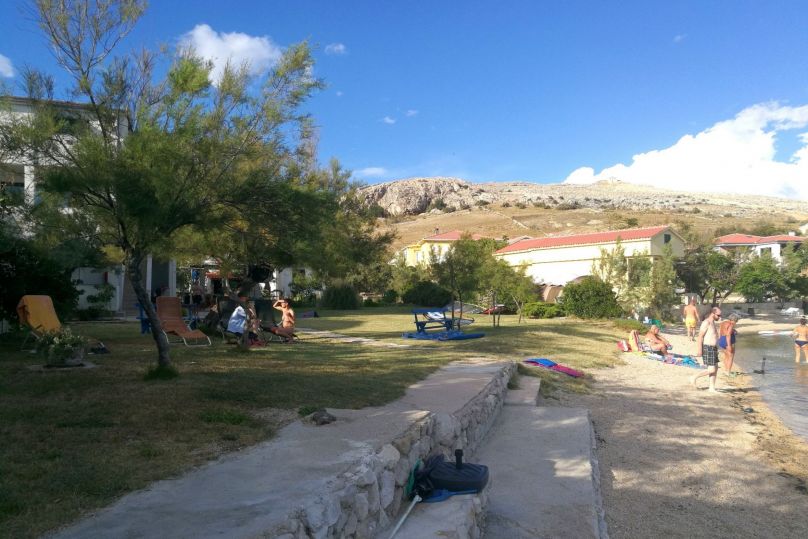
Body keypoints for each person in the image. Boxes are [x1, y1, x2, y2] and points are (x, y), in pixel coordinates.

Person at [691, 307, 722, 392]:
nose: (720, 317)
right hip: (708, 348)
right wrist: (699, 350)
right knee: (711, 369)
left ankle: (711, 388)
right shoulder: (706, 322)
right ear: (713, 313)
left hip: (714, 348)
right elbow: (700, 336)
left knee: (715, 368)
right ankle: (694, 377)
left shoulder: (713, 322)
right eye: (718, 315)